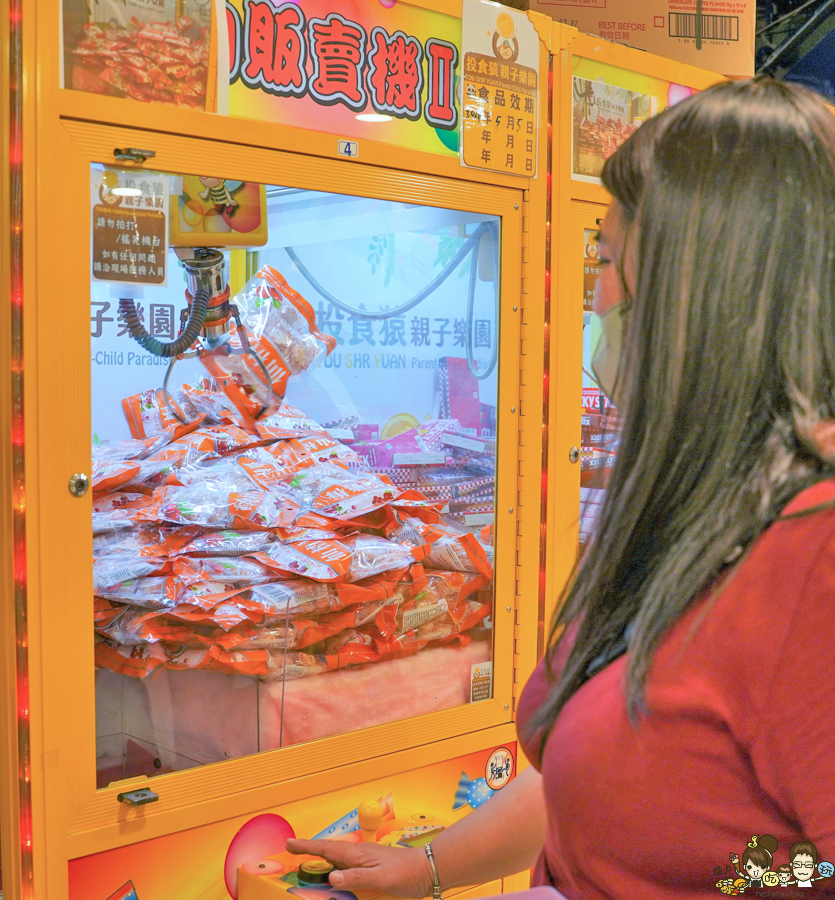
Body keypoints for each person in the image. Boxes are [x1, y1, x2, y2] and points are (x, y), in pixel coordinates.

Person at [288, 78, 835, 899]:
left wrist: (737, 880)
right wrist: (428, 868)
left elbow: (799, 862)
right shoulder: (696, 504)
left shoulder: (812, 550)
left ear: (702, 288)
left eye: (608, 261)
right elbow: (609, 780)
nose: (595, 297)